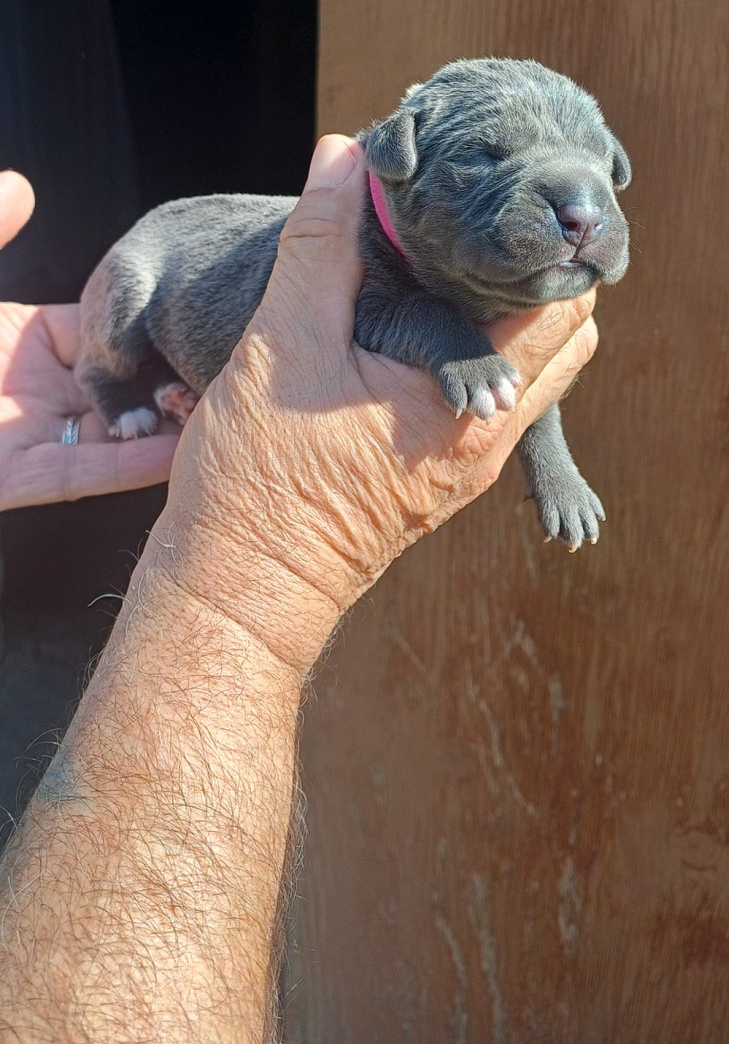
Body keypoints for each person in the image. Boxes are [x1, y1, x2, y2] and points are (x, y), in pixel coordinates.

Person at [0, 141, 597, 1042]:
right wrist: (258, 561)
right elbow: (395, 322)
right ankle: (117, 381)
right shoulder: (378, 262)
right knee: (125, 301)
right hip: (162, 281)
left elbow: (508, 381)